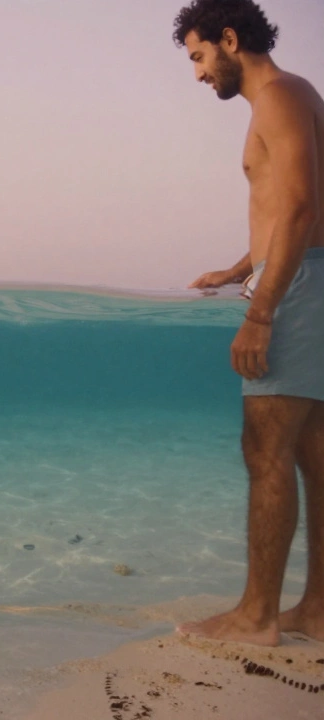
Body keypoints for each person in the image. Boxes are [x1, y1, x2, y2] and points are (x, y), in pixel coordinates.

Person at [174, 0, 324, 646]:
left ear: (230, 40)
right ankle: (317, 612)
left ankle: (256, 617)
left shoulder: (280, 97)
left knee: (265, 452)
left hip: (297, 289)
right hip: (305, 276)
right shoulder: (298, 94)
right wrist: (242, 266)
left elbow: (298, 204)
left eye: (201, 56)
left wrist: (261, 311)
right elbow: (296, 207)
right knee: (315, 456)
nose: (200, 74)